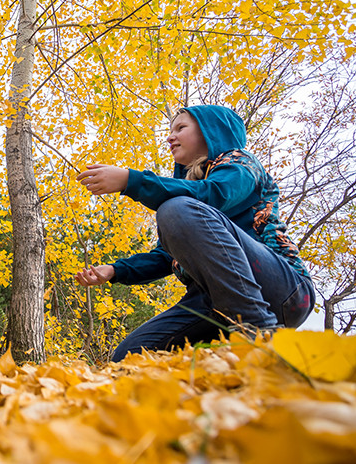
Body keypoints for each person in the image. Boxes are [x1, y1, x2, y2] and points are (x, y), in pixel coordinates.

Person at [74, 105, 314, 362]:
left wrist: (131, 181)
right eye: (170, 130)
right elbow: (165, 257)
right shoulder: (188, 199)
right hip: (214, 303)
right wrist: (115, 270)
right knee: (129, 359)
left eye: (181, 128)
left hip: (281, 290)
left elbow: (214, 195)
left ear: (211, 131)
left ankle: (258, 329)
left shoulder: (241, 165)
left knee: (176, 208)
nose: (170, 137)